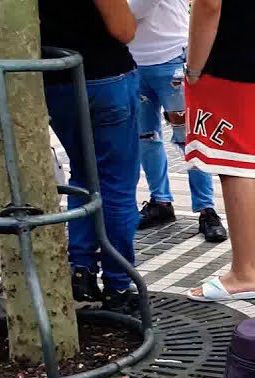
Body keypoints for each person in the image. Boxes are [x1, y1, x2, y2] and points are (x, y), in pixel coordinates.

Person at [184, 0, 255, 302]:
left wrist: (193, 67)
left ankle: (244, 273)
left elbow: (208, 4)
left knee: (234, 165)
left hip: (233, 64)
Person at [39, 0, 141, 314]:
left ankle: (80, 270)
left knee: (83, 174)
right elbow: (123, 29)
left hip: (55, 80)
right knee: (117, 184)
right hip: (105, 76)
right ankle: (117, 284)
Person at [129, 0, 228, 243]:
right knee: (146, 138)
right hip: (133, 61)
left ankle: (206, 209)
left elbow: (133, 11)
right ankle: (160, 201)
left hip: (171, 58)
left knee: (189, 137)